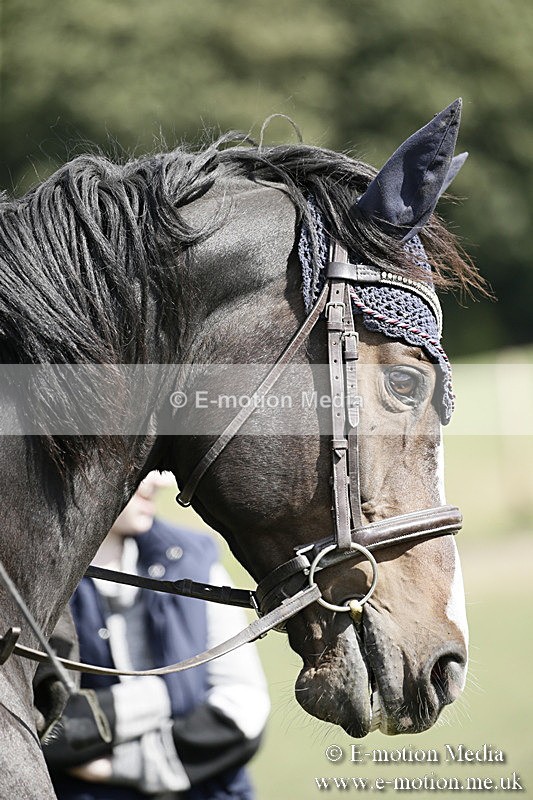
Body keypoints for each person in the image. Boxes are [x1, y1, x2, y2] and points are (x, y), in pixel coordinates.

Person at [44, 472, 270, 800]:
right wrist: (163, 695)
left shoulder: (194, 558)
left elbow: (243, 712)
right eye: (144, 466)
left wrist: (117, 765)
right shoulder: (37, 582)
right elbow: (49, 729)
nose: (161, 483)